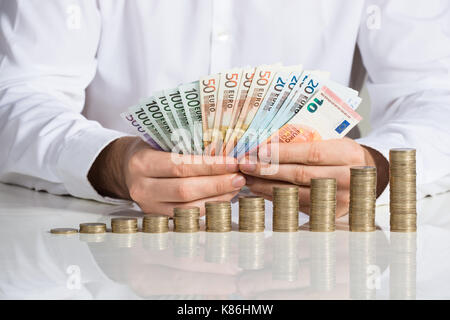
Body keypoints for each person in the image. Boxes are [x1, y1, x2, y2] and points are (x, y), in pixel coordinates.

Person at [0, 0, 449, 217]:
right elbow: (19, 93)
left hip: (316, 239)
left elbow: (435, 93)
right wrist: (107, 164)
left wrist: (378, 167)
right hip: (104, 229)